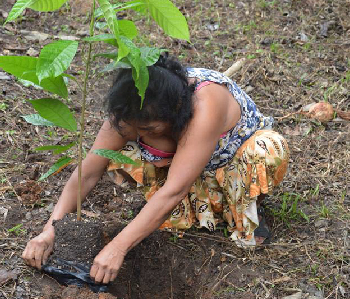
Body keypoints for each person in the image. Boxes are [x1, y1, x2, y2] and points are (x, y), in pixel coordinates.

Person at [22, 54, 289, 284]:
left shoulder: (206, 104)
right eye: (133, 127)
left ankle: (243, 208)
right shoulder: (130, 108)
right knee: (116, 153)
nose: (137, 134)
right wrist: (50, 230)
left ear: (175, 110)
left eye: (148, 130)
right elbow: (89, 170)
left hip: (229, 165)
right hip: (182, 169)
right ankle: (195, 211)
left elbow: (174, 190)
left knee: (263, 151)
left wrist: (118, 247)